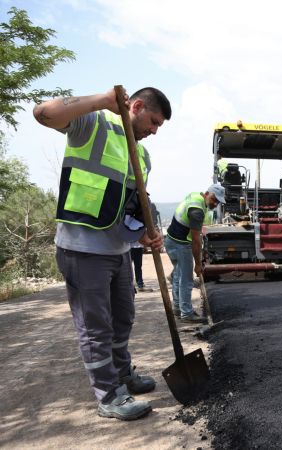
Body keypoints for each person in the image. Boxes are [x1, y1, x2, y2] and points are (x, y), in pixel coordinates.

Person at [33, 87, 171, 420]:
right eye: (153, 122)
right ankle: (109, 396)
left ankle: (123, 375)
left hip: (118, 250)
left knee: (123, 319)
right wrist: (101, 101)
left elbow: (132, 206)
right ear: (135, 106)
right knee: (96, 328)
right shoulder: (92, 125)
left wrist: (143, 237)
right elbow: (43, 113)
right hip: (82, 250)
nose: (154, 131)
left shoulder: (142, 157)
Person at [165, 185, 225, 323]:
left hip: (170, 240)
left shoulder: (195, 196)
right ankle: (187, 314)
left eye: (218, 202)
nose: (215, 204)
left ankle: (177, 308)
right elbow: (196, 241)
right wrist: (198, 264)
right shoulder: (197, 211)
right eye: (213, 199)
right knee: (186, 279)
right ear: (206, 194)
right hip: (181, 244)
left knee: (178, 275)